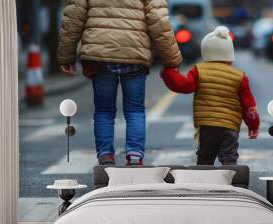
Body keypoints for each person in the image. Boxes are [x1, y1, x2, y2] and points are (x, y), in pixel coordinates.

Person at [57, 0, 182, 166]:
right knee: (135, 110)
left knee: (104, 111)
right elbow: (158, 20)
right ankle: (135, 155)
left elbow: (74, 17)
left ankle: (105, 156)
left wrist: (66, 55)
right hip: (134, 51)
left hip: (99, 53)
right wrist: (171, 60)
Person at [161, 26, 260, 165]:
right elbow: (249, 105)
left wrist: (169, 72)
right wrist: (253, 126)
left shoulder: (199, 71)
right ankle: (232, 181)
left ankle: (204, 180)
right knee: (229, 157)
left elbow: (182, 85)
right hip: (230, 125)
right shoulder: (239, 76)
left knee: (205, 157)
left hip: (207, 124)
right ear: (229, 54)